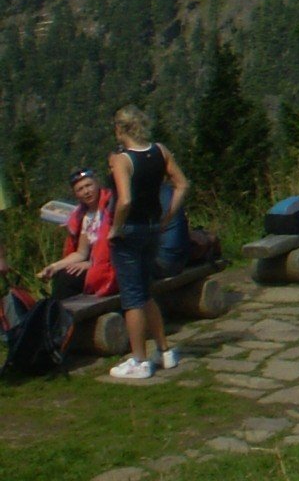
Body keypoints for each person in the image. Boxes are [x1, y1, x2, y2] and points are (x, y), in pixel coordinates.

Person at [105, 106, 188, 381]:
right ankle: (164, 350)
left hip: (130, 231)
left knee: (132, 297)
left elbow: (125, 200)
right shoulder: (160, 151)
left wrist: (115, 228)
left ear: (120, 129)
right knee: (145, 290)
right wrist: (167, 217)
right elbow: (182, 184)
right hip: (153, 227)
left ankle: (139, 359)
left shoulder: (122, 160)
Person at [39, 168, 116, 299]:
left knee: (67, 279)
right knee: (62, 274)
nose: (86, 191)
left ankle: (61, 310)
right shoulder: (84, 217)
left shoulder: (111, 206)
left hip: (113, 266)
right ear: (76, 194)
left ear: (97, 183)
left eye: (89, 185)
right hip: (96, 265)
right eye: (80, 189)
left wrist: (90, 264)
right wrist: (55, 266)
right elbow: (81, 253)